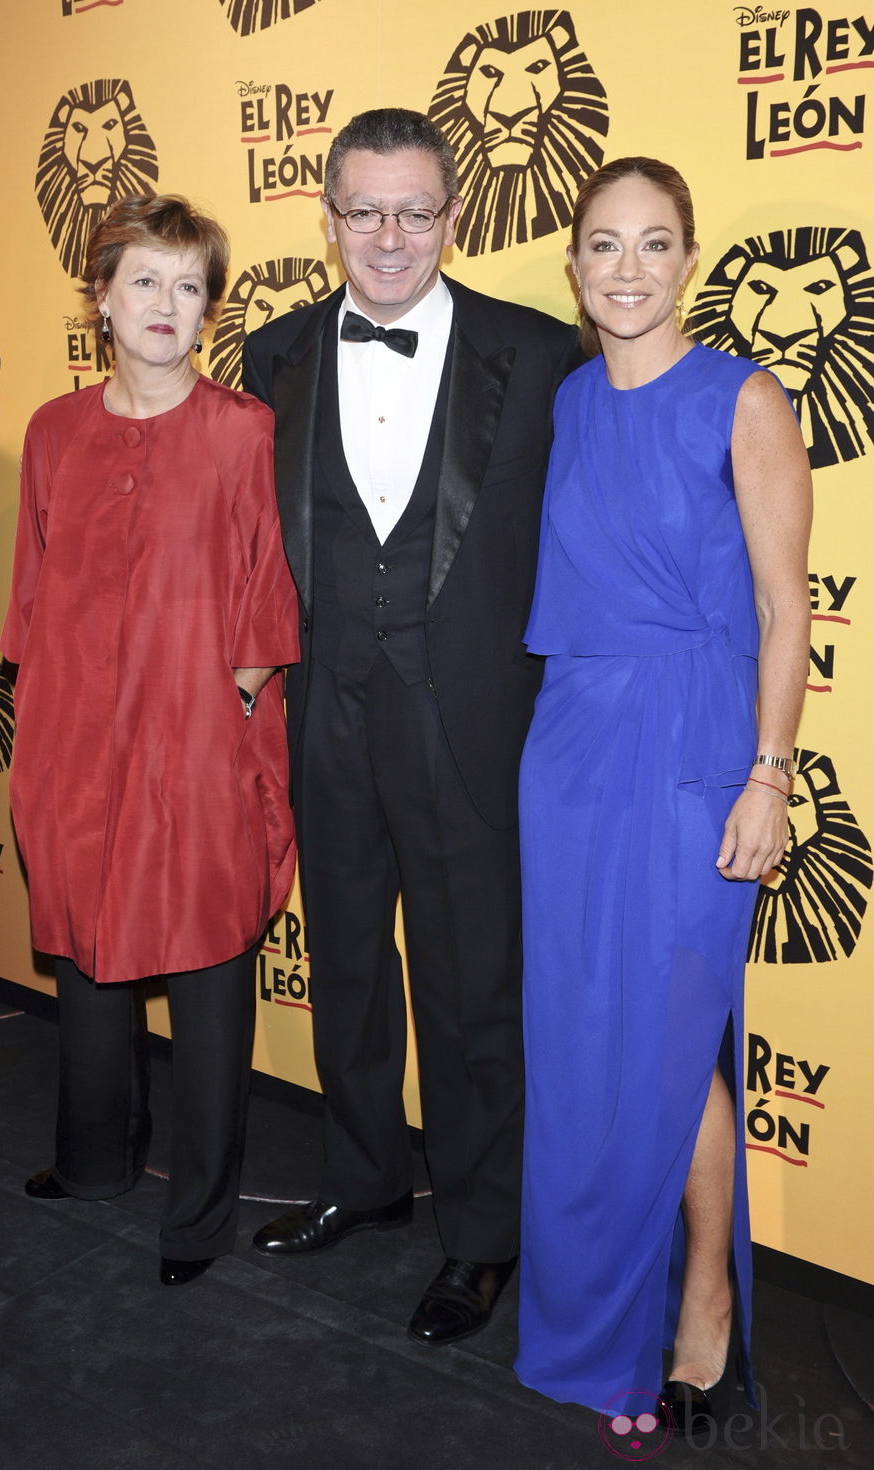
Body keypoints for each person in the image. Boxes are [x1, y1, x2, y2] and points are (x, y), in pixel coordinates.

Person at [242, 108, 580, 1345]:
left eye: (414, 210)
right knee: (343, 968)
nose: (388, 236)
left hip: (468, 720)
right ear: (326, 217)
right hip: (322, 707)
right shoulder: (273, 356)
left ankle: (482, 1235)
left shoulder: (539, 355)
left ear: (454, 215)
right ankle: (363, 1174)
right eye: (364, 210)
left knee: (470, 987)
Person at [515, 158, 812, 1427]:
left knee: (669, 1040)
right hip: (570, 750)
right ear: (573, 265)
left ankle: (701, 1297)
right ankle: (603, 1316)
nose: (625, 269)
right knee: (583, 1048)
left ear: (686, 258)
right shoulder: (571, 401)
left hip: (694, 750)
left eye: (652, 244)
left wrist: (766, 775)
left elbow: (783, 607)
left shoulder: (743, 400)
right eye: (601, 245)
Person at [2, 194, 299, 1286]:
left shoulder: (242, 433)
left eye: (188, 286)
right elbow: (31, 600)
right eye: (144, 281)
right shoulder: (50, 430)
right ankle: (91, 1165)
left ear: (208, 310)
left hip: (197, 742)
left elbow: (266, 607)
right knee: (86, 958)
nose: (165, 304)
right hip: (75, 739)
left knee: (211, 976)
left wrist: (221, 722)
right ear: (101, 299)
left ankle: (199, 1219)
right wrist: (49, 741)